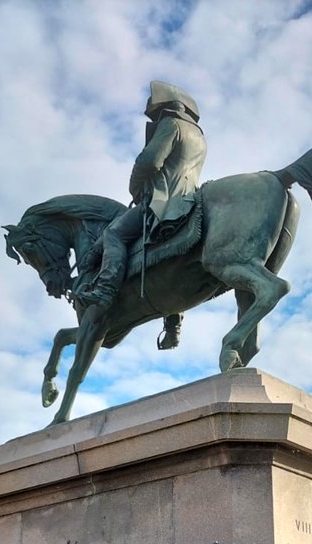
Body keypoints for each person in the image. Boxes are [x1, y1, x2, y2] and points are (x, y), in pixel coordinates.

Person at [71, 82, 205, 351]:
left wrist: (135, 187)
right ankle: (173, 324)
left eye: (155, 112)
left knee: (113, 234)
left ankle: (106, 289)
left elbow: (149, 161)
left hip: (163, 199)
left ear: (166, 106)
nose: (154, 117)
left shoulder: (172, 124)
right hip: (190, 196)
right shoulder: (199, 136)